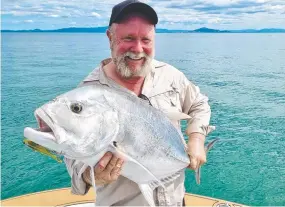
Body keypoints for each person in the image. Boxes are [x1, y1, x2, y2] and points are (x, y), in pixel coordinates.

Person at [64, 0, 214, 206]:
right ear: (110, 38)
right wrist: (92, 176)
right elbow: (73, 161)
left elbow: (199, 104)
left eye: (146, 40)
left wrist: (196, 139)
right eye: (128, 38)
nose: (138, 49)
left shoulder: (170, 76)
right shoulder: (87, 97)